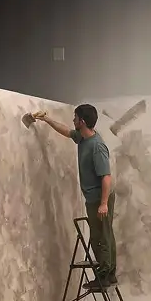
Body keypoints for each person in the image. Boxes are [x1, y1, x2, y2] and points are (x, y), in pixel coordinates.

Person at [34, 104, 117, 290]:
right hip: (96, 197)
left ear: (83, 121)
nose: (73, 120)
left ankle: (104, 276)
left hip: (99, 198)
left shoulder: (96, 146)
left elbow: (106, 177)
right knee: (105, 234)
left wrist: (103, 203)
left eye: (75, 117)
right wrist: (47, 119)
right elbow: (67, 132)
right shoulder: (83, 138)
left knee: (100, 237)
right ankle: (109, 274)